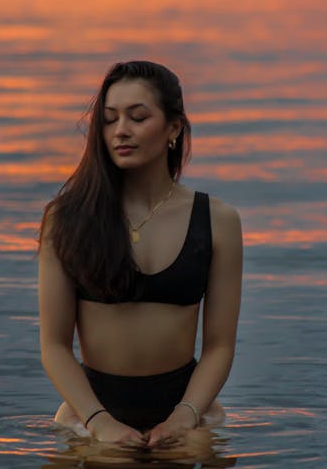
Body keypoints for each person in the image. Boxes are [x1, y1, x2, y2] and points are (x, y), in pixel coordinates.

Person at [38, 59, 243, 448]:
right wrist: (100, 423)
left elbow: (220, 345)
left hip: (189, 409)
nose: (121, 131)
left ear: (174, 127)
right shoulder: (67, 219)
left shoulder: (218, 220)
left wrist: (185, 417)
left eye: (137, 117)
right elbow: (54, 346)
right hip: (89, 413)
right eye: (110, 119)